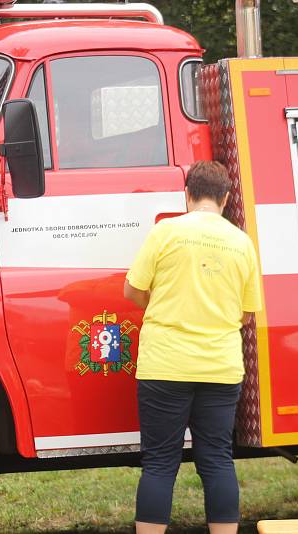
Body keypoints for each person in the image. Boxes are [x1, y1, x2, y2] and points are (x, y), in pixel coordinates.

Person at [123, 160, 262, 534]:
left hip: (165, 364)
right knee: (216, 460)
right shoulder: (241, 242)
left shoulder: (165, 232)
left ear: (187, 194)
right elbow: (247, 315)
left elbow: (133, 289)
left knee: (159, 463)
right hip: (220, 368)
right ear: (226, 198)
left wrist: (165, 306)